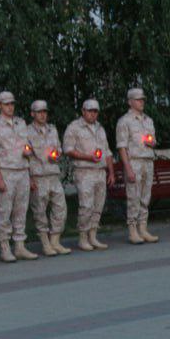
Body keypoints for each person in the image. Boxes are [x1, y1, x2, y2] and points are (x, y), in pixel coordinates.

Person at [0, 91, 38, 262]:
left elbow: (27, 149)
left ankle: (20, 246)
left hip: (22, 170)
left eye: (12, 104)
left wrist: (30, 175)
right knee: (4, 211)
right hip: (6, 171)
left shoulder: (21, 123)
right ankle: (5, 247)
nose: (10, 107)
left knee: (21, 210)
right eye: (6, 104)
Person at [63, 99, 115, 251]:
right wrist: (88, 157)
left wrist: (110, 172)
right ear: (83, 111)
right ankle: (83, 237)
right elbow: (68, 149)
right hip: (84, 171)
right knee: (86, 205)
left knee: (98, 205)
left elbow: (107, 152)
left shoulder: (100, 128)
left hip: (100, 171)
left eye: (95, 111)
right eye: (90, 111)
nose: (93, 114)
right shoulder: (74, 127)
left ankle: (93, 235)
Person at [26, 100, 70, 255]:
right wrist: (29, 178)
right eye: (39, 112)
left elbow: (58, 148)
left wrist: (56, 154)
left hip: (53, 174)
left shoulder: (52, 130)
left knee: (60, 208)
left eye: (45, 111)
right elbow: (26, 157)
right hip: (38, 176)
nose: (43, 114)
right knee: (40, 211)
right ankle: (45, 243)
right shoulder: (26, 131)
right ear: (32, 114)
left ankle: (55, 241)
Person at [117, 88, 159, 244]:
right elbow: (122, 147)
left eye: (143, 99)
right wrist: (128, 168)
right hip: (133, 161)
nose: (141, 102)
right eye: (138, 99)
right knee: (133, 197)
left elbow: (153, 140)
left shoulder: (148, 120)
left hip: (148, 161)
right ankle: (133, 230)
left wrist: (151, 142)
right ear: (130, 102)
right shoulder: (124, 121)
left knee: (145, 197)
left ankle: (143, 228)